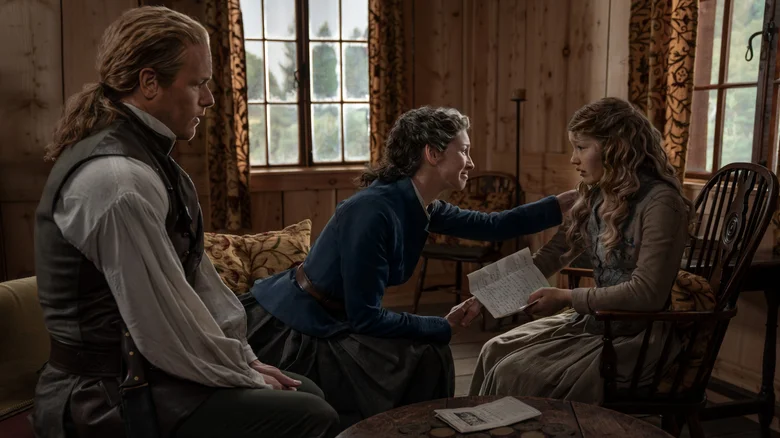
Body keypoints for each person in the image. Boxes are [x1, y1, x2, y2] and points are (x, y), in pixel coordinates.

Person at [32, 6, 338, 438]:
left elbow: (198, 277)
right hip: (103, 396)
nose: (210, 99)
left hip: (144, 371)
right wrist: (243, 375)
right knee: (310, 415)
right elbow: (162, 324)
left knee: (306, 392)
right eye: (197, 84)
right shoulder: (119, 181)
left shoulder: (154, 162)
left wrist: (245, 358)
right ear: (149, 83)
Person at [242, 106, 578, 427]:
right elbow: (366, 317)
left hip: (339, 317)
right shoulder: (372, 211)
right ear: (432, 154)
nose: (471, 162)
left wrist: (563, 204)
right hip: (304, 326)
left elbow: (493, 226)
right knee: (428, 354)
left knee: (429, 355)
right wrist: (441, 325)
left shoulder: (421, 204)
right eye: (464, 151)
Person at [464, 97, 692, 403]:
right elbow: (549, 257)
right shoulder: (597, 196)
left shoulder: (661, 202)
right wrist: (485, 297)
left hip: (638, 337)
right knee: (495, 349)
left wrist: (566, 298)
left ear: (615, 148)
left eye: (581, 147)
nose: (574, 158)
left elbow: (647, 294)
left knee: (516, 371)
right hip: (596, 321)